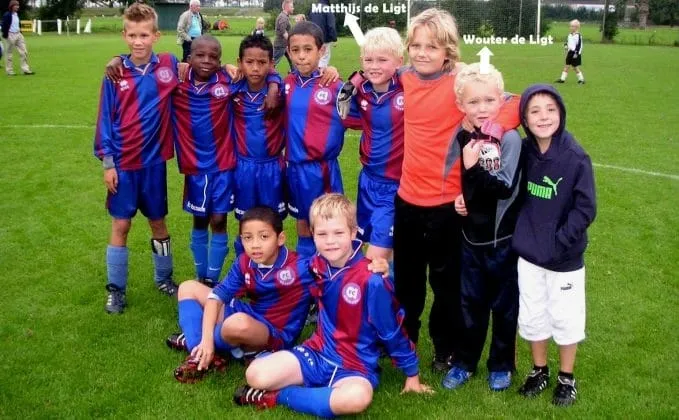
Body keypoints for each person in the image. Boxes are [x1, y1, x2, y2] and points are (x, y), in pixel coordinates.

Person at [390, 8, 519, 373]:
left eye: (432, 46)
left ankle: (445, 348)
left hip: (448, 205)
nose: (421, 53)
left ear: (448, 50)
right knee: (407, 284)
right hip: (408, 200)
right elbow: (376, 74)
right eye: (415, 45)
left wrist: (488, 127)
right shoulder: (406, 78)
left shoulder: (461, 84)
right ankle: (405, 342)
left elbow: (513, 104)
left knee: (447, 286)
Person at [233, 193, 432, 417]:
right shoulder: (316, 266)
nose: (330, 241)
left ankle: (278, 396)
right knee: (255, 374)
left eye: (338, 233)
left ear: (353, 233)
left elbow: (391, 329)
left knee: (357, 399)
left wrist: (412, 373)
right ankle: (314, 391)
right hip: (316, 353)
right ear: (313, 235)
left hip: (356, 367)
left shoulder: (372, 279)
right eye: (322, 234)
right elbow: (279, 272)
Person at [513, 84, 596, 406]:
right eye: (534, 111)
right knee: (533, 313)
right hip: (530, 255)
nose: (543, 116)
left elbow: (586, 208)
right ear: (524, 118)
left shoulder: (575, 157)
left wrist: (560, 242)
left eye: (550, 109)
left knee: (565, 317)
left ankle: (566, 376)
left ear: (560, 113)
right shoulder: (523, 151)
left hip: (564, 258)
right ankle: (539, 369)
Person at [441, 63, 522, 392]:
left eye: (489, 100)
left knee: (504, 307)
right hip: (470, 238)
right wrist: (461, 197)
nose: (482, 108)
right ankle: (464, 361)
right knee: (469, 304)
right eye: (473, 102)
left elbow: (503, 187)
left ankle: (501, 364)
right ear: (461, 105)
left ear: (501, 101)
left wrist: (472, 173)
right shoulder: (462, 136)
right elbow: (455, 177)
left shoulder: (511, 139)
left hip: (502, 239)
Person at [93, 3, 179, 314]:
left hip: (154, 164)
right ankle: (116, 290)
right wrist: (108, 163)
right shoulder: (115, 74)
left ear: (156, 35)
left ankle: (164, 278)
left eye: (144, 34)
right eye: (132, 35)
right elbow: (105, 120)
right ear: (124, 35)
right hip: (124, 166)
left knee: (158, 222)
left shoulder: (168, 66)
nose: (138, 41)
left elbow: (202, 69)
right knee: (121, 225)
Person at [169, 207, 314, 382]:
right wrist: (206, 340)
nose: (255, 244)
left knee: (237, 324)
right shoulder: (245, 261)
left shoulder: (302, 267)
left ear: (280, 238)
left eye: (264, 237)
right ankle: (201, 349)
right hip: (248, 313)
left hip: (275, 332)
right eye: (248, 237)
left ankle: (200, 345)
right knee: (187, 287)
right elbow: (215, 298)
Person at [282, 21, 359, 258]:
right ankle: (307, 277)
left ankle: (331, 277)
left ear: (321, 51)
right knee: (303, 224)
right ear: (288, 52)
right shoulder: (284, 84)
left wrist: (351, 78)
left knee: (327, 226)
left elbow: (364, 113)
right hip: (293, 168)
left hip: (321, 169)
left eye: (308, 49)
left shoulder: (335, 86)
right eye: (296, 50)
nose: (301, 56)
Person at [338, 27, 404, 264]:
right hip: (367, 181)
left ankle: (377, 299)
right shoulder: (359, 91)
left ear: (399, 61)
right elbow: (343, 115)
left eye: (382, 60)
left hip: (396, 186)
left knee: (375, 257)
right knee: (379, 247)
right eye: (369, 60)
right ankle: (394, 298)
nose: (374, 66)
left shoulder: (408, 88)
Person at [231, 34, 286, 256]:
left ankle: (275, 273)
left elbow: (288, 80)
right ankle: (243, 271)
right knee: (245, 222)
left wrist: (274, 85)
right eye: (249, 62)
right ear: (240, 63)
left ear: (271, 64)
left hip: (272, 167)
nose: (255, 68)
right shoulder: (233, 88)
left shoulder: (280, 93)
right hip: (243, 167)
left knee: (272, 223)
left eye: (262, 63)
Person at [1, 0, 34, 76]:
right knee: (9, 53)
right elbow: (3, 25)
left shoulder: (16, 14)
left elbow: (18, 25)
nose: (17, 7)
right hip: (10, 35)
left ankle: (25, 69)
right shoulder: (7, 15)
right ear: (11, 6)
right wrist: (6, 35)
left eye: (18, 5)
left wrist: (20, 33)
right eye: (16, 5)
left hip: (18, 34)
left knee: (24, 52)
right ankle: (9, 71)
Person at [309, 0, 337, 68]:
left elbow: (309, 23)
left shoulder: (312, 9)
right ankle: (320, 76)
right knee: (324, 58)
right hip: (324, 39)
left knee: (316, 57)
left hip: (313, 38)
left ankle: (314, 74)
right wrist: (334, 39)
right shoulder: (327, 9)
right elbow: (331, 26)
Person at [556, 19, 584, 84]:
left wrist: (576, 53)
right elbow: (568, 42)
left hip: (575, 53)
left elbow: (579, 45)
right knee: (566, 66)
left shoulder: (578, 35)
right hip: (570, 52)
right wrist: (566, 46)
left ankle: (581, 80)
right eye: (570, 26)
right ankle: (562, 79)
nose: (570, 27)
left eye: (572, 26)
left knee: (575, 67)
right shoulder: (570, 35)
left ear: (577, 27)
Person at [273, 0, 295, 71]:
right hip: (280, 45)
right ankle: (264, 76)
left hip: (285, 45)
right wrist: (291, 41)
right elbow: (283, 31)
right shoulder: (283, 17)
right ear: (286, 7)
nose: (293, 8)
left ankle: (295, 75)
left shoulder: (285, 16)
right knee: (272, 63)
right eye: (292, 7)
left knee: (293, 61)